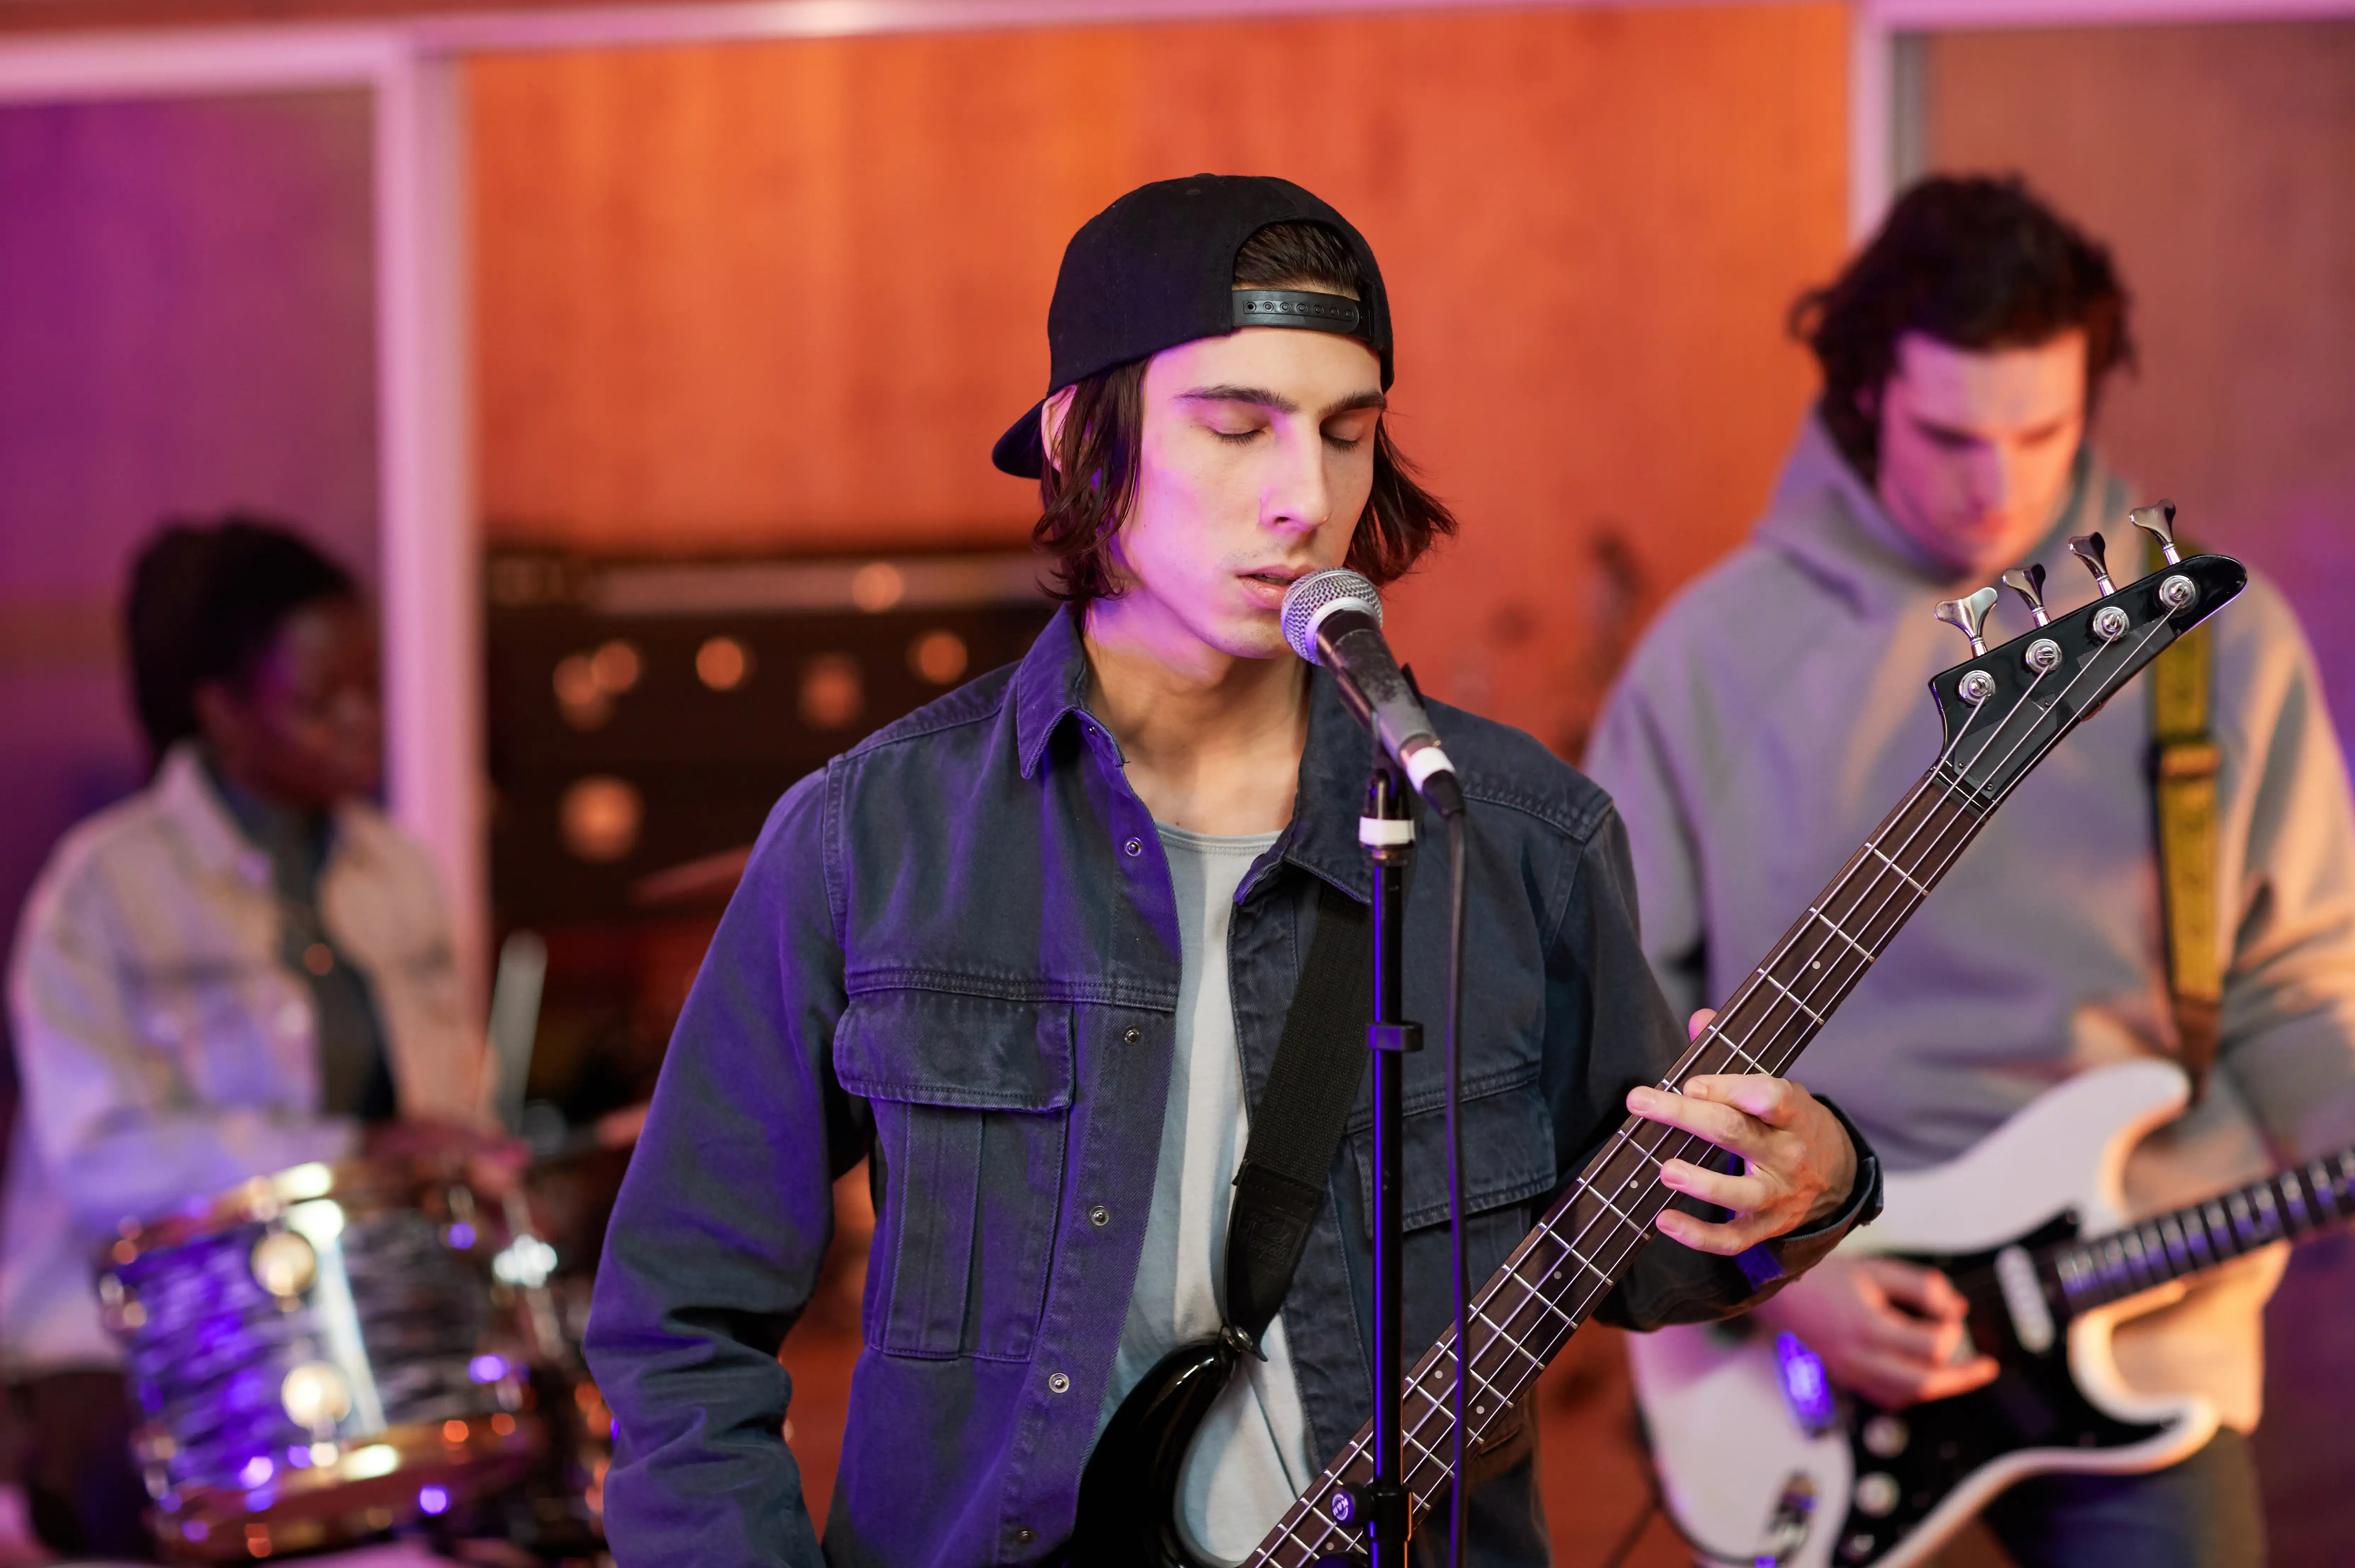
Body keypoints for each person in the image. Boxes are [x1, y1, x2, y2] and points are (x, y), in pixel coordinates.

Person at [587, 174, 1882, 1567]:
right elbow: (680, 1319)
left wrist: (1813, 1183)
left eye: (1347, 432)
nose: (1305, 497)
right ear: (1087, 438)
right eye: (1236, 426)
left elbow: (1623, 1252)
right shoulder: (873, 840)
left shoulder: (1518, 833)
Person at [1588, 175, 2355, 1567]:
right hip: (1799, 1336)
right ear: (1866, 393)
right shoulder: (1713, 653)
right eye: (1953, 434)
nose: (1999, 484)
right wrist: (1772, 1275)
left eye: (2044, 433)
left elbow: (2301, 984)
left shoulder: (2208, 639)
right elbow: (1616, 1015)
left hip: (2143, 1322)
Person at [1, 518, 498, 1557]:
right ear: (221, 713)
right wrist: (349, 1154)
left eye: (371, 686)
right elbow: (102, 1159)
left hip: (361, 1330)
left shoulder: (397, 872)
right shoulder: (102, 891)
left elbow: (449, 1101)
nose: (365, 724)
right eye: (322, 703)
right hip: (132, 1343)